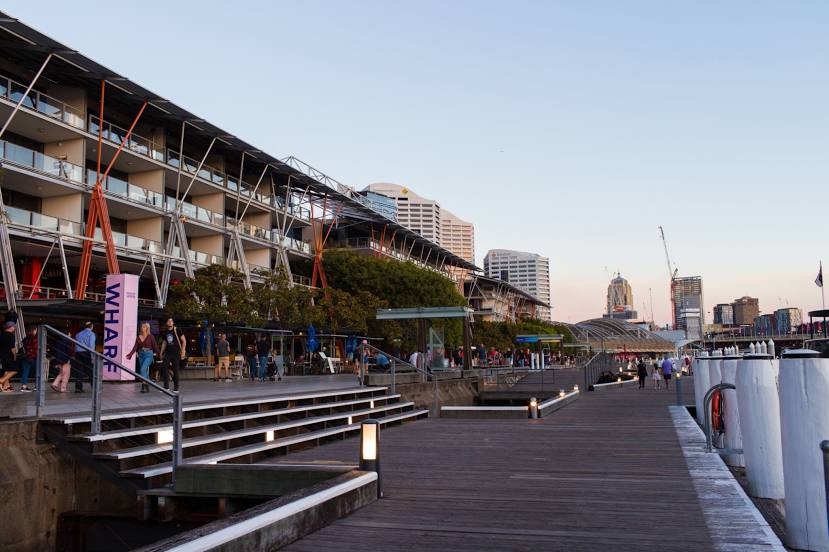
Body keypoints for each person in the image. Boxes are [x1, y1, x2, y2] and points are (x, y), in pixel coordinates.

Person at [126, 323, 158, 393]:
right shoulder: (138, 337)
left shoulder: (150, 336)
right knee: (144, 372)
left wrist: (159, 355)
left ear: (147, 328)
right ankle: (146, 386)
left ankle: (143, 385)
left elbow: (155, 346)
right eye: (141, 327)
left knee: (142, 369)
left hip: (149, 354)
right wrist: (130, 354)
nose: (142, 328)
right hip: (141, 355)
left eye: (144, 327)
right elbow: (135, 347)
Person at [159, 318, 186, 392]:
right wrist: (161, 353)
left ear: (173, 323)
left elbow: (184, 340)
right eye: (168, 321)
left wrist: (183, 351)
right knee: (164, 367)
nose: (170, 322)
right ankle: (166, 387)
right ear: (167, 323)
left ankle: (176, 387)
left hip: (176, 352)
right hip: (168, 352)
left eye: (171, 321)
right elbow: (164, 343)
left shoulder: (177, 330)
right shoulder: (165, 332)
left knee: (175, 369)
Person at [74, 321, 96, 393]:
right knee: (90, 370)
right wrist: (92, 357)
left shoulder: (78, 334)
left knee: (79, 371)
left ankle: (78, 388)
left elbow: (76, 345)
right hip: (87, 353)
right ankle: (94, 387)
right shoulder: (91, 334)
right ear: (91, 326)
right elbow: (91, 346)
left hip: (78, 353)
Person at [18, 326, 39, 392]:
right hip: (32, 357)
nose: (37, 331)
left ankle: (24, 387)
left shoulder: (25, 338)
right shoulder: (35, 338)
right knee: (38, 371)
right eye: (36, 329)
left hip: (25, 357)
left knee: (25, 371)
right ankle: (37, 386)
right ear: (34, 330)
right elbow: (36, 349)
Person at [0, 320, 18, 391]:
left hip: (2, 356)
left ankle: (5, 387)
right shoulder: (11, 335)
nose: (15, 328)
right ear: (11, 327)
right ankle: (1, 381)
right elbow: (12, 347)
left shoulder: (1, 335)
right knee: (15, 370)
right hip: (8, 356)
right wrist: (15, 355)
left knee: (6, 371)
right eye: (14, 327)